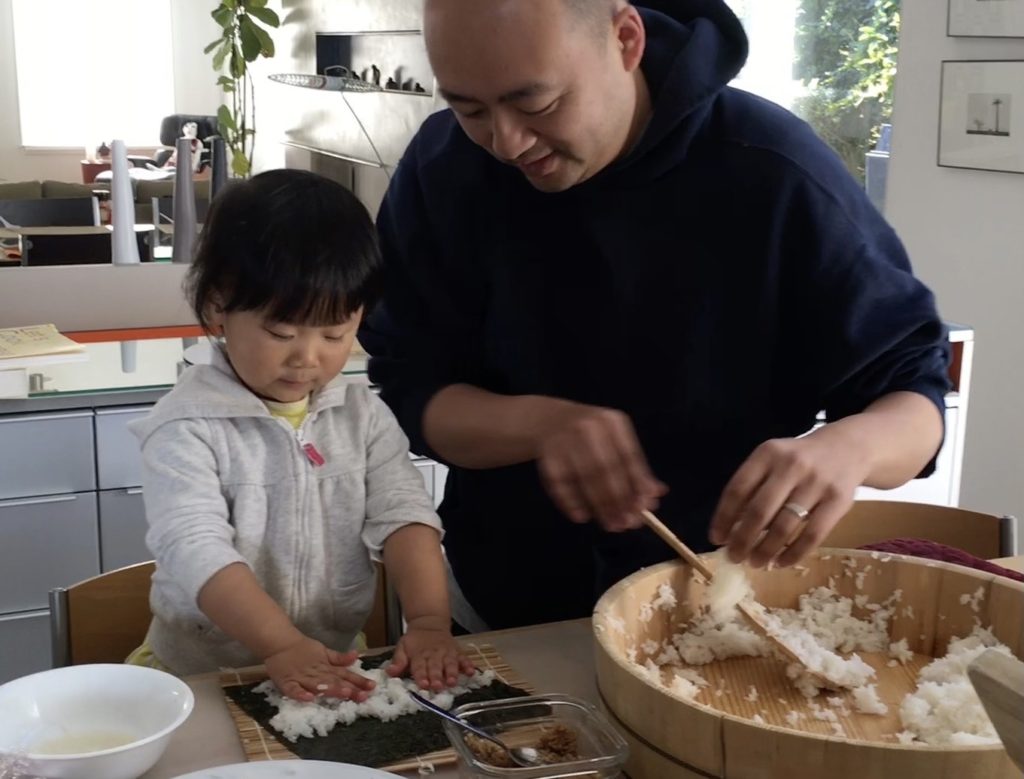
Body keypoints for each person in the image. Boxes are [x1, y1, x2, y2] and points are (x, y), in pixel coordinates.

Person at [358, 0, 950, 631]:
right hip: (501, 610)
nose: (506, 142)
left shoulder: (773, 174)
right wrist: (536, 425)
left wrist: (848, 447)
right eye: (469, 108)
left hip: (715, 620)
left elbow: (916, 406)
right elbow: (408, 391)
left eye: (537, 104)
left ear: (625, 38)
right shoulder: (445, 166)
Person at [128, 169, 473, 700]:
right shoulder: (186, 427)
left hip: (327, 667)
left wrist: (428, 622)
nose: (307, 357)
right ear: (219, 305)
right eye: (281, 332)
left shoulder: (362, 417)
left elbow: (405, 516)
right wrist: (281, 645)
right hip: (200, 678)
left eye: (336, 333)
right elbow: (195, 548)